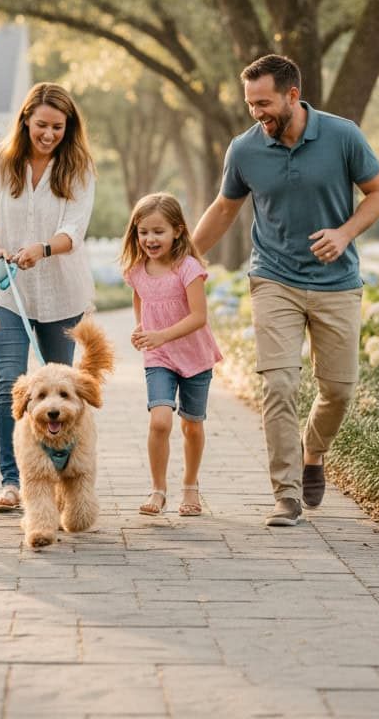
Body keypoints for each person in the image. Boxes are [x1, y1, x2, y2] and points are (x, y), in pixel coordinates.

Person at [192, 54, 379, 527]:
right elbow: (224, 208)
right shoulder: (244, 149)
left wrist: (344, 233)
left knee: (338, 390)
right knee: (279, 385)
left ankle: (312, 452)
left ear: (292, 95)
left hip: (337, 283)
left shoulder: (342, 135)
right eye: (250, 104)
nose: (256, 113)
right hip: (273, 279)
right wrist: (184, 258)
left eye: (263, 103)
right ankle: (286, 494)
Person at [0, 82, 96, 512]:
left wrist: (41, 249)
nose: (49, 134)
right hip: (5, 291)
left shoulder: (78, 168)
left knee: (60, 394)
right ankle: (13, 481)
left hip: (62, 294)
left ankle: (62, 477)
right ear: (25, 119)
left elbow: (73, 231)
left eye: (58, 127)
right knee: (12, 383)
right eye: (42, 124)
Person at [121, 192, 222, 518]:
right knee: (160, 421)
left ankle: (190, 485)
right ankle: (158, 489)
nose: (150, 239)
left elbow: (199, 317)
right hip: (159, 358)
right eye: (143, 232)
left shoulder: (188, 268)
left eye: (158, 231)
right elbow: (140, 298)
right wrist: (141, 327)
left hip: (195, 357)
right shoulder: (137, 270)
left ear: (177, 231)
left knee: (191, 425)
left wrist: (160, 334)